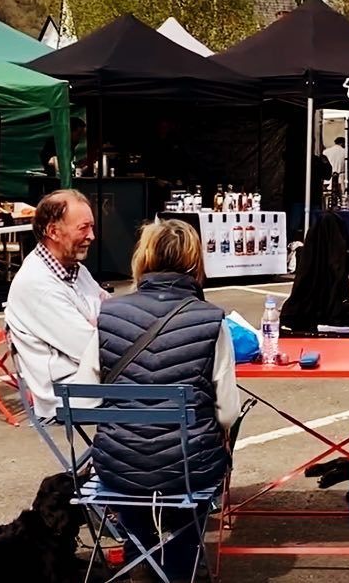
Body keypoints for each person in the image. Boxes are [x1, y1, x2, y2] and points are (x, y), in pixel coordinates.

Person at [88, 219, 238, 582]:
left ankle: (142, 550)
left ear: (144, 258)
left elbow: (88, 399)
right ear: (194, 262)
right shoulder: (211, 320)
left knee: (130, 479)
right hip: (187, 467)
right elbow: (228, 411)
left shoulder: (109, 314)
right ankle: (178, 563)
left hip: (118, 464)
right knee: (202, 465)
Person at [5, 189, 110, 420]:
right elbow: (92, 349)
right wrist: (100, 325)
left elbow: (111, 318)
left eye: (91, 227)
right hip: (71, 395)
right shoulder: (36, 284)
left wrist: (100, 325)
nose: (92, 236)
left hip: (94, 381)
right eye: (83, 228)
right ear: (53, 231)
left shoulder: (75, 269)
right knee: (174, 390)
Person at [281, 211, 349, 336]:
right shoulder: (336, 252)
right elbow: (338, 270)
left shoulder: (309, 256)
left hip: (306, 313)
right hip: (333, 309)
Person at [323, 137, 347, 203]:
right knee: (341, 199)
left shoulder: (326, 151)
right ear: (342, 143)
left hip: (329, 178)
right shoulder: (345, 152)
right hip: (341, 178)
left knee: (327, 198)